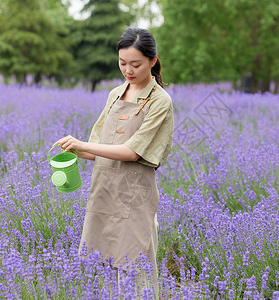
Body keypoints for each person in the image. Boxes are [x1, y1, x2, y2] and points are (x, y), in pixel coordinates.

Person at [52, 27, 174, 297]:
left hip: (134, 199)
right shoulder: (115, 94)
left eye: (136, 64)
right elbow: (99, 149)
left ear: (153, 61)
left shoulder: (160, 101)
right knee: (108, 271)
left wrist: (84, 144)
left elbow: (133, 151)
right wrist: (73, 149)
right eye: (122, 63)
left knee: (137, 273)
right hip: (105, 193)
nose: (128, 70)